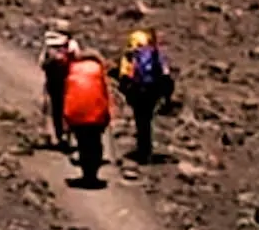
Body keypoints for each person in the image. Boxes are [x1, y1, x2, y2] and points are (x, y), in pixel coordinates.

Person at [58, 44, 115, 187]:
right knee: (95, 142)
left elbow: (67, 92)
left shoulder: (73, 68)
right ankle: (93, 173)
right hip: (96, 112)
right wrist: (107, 113)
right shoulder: (98, 69)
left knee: (83, 143)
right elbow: (104, 92)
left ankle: (86, 174)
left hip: (77, 112)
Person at [123, 27, 177, 165]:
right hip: (153, 91)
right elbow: (166, 74)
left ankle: (142, 150)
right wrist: (167, 96)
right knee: (147, 120)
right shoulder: (157, 55)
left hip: (138, 90)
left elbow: (128, 74)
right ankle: (147, 151)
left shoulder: (136, 54)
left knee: (141, 121)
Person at [38, 29, 78, 149]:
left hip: (53, 82)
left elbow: (41, 63)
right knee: (69, 108)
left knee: (56, 108)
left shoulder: (49, 44)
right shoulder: (72, 44)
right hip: (69, 82)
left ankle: (59, 135)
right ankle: (68, 134)